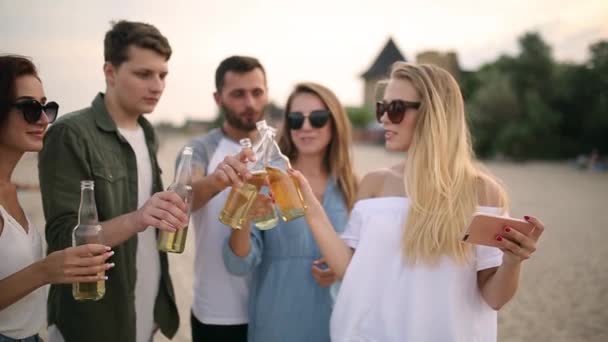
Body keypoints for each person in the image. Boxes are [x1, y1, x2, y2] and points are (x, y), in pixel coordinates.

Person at [288, 62, 546, 341]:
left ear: (433, 114)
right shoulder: (374, 183)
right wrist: (310, 206)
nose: (384, 118)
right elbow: (349, 271)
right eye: (381, 108)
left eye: (395, 109)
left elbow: (494, 298)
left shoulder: (482, 192)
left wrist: (512, 261)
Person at [38, 21, 187, 342]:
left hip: (145, 316)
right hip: (94, 322)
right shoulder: (70, 134)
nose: (157, 85)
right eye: (144, 74)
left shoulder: (146, 132)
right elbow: (64, 239)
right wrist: (138, 218)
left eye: (163, 75)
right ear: (110, 72)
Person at [223, 82, 357, 341]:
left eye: (317, 118)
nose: (306, 127)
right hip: (277, 324)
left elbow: (366, 261)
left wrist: (343, 265)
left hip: (336, 325)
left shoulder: (351, 186)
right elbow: (238, 263)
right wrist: (244, 217)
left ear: (335, 122)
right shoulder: (266, 179)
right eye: (296, 119)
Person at [0, 55, 112, 342]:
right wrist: (45, 270)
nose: (42, 119)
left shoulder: (9, 189)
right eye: (28, 108)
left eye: (46, 108)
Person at [182, 56, 268, 341]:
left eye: (257, 92)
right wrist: (219, 179)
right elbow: (184, 198)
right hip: (219, 311)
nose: (250, 103)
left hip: (273, 307)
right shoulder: (200, 149)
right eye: (238, 94)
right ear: (218, 98)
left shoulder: (281, 149)